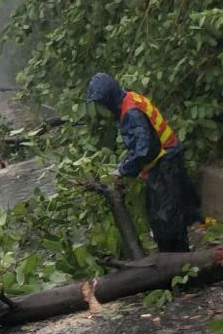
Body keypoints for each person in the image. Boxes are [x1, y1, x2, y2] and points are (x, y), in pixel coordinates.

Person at [86, 73, 202, 252]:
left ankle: (177, 266)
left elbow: (144, 150)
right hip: (166, 160)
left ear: (109, 98)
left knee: (167, 222)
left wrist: (122, 170)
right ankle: (176, 264)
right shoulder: (130, 99)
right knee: (168, 219)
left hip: (165, 164)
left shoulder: (131, 113)